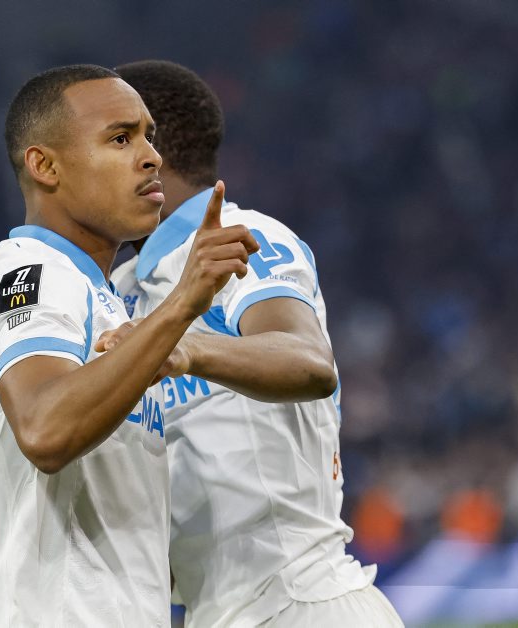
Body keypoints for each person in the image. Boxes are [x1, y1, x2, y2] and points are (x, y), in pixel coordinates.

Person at [0, 64, 258, 626]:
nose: (152, 157)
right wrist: (181, 306)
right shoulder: (32, 275)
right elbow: (45, 430)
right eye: (120, 138)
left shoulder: (106, 301)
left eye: (149, 136)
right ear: (44, 166)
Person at [105, 60, 403, 627]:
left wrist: (186, 349)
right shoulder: (121, 289)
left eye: (112, 140)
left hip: (302, 604)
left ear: (151, 152)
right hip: (215, 611)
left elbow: (307, 361)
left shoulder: (241, 239)